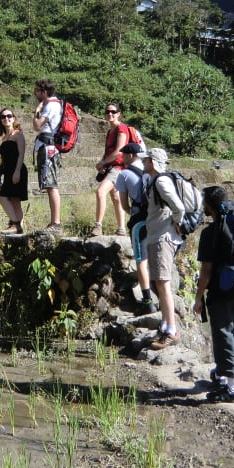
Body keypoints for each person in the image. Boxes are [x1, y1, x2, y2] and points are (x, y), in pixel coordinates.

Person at [193, 186, 234, 403]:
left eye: (204, 203)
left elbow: (206, 272)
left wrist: (198, 298)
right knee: (233, 333)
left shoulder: (210, 233)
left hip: (222, 289)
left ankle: (233, 388)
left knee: (222, 333)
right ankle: (222, 373)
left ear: (209, 206)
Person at [139, 147, 185, 349]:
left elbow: (179, 207)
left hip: (163, 239)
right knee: (159, 283)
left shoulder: (161, 181)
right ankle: (165, 325)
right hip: (158, 237)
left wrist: (177, 223)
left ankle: (172, 331)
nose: (143, 163)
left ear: (153, 162)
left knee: (164, 284)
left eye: (146, 160)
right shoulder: (156, 181)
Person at [115, 143, 155, 314]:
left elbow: (123, 204)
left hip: (140, 223)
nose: (122, 158)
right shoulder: (153, 171)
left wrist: (134, 211)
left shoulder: (124, 174)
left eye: (124, 155)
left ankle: (147, 301)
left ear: (131, 155)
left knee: (142, 261)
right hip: (158, 221)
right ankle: (163, 298)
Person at [91, 103, 132, 236]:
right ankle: (121, 229)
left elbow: (119, 152)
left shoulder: (122, 129)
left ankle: (98, 226)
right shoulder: (110, 131)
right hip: (111, 167)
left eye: (113, 112)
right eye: (107, 111)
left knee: (100, 191)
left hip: (119, 167)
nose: (110, 114)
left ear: (119, 114)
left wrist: (103, 162)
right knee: (115, 197)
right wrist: (102, 163)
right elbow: (108, 152)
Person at [32, 78, 62, 233]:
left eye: (37, 90)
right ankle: (54, 222)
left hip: (48, 148)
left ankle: (56, 223)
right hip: (48, 146)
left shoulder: (50, 105)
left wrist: (37, 110)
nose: (35, 93)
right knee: (50, 184)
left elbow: (37, 126)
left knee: (51, 185)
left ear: (44, 92)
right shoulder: (54, 104)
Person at [0, 108, 28, 233]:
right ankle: (19, 228)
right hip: (7, 171)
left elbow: (21, 154)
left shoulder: (18, 134)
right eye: (3, 117)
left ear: (14, 118)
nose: (6, 118)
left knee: (2, 197)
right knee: (14, 201)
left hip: (17, 170)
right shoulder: (4, 138)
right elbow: (2, 160)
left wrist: (17, 171)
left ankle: (15, 224)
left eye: (9, 116)